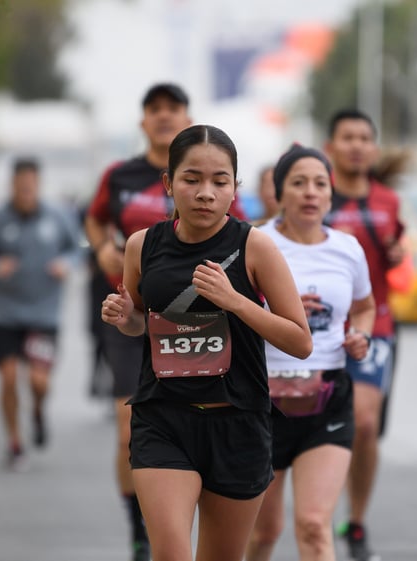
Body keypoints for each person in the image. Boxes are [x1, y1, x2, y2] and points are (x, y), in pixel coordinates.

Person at [100, 124, 312, 561]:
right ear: (168, 183)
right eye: (191, 179)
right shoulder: (142, 246)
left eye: (219, 182)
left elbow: (299, 340)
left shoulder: (256, 247)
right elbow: (142, 322)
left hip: (237, 424)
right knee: (173, 554)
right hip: (163, 420)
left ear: (235, 188)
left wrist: (235, 302)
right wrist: (125, 318)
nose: (205, 193)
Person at [245, 144, 375, 561]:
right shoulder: (254, 243)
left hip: (327, 396)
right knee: (263, 531)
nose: (310, 192)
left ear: (330, 194)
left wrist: (361, 336)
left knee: (315, 524)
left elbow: (365, 306)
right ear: (279, 193)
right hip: (261, 399)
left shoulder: (348, 248)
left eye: (320, 183)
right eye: (298, 183)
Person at [85, 82, 193, 561]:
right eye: (155, 110)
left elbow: (241, 229)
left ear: (188, 118)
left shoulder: (201, 174)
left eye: (174, 109)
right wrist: (102, 246)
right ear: (142, 121)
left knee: (192, 429)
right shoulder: (120, 174)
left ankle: (179, 525)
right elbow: (94, 220)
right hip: (130, 314)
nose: (165, 116)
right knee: (129, 427)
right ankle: (139, 528)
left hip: (193, 319)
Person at [322, 108, 405, 561]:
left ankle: (354, 522)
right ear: (331, 146)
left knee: (366, 425)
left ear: (373, 148)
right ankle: (315, 513)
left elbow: (396, 258)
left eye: (364, 138)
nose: (356, 145)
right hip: (317, 329)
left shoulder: (389, 201)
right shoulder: (316, 194)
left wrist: (394, 254)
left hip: (378, 323)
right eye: (346, 137)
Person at [0, 157, 80, 470]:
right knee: (8, 377)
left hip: (44, 315)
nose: (26, 191)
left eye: (31, 186)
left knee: (39, 382)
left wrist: (66, 264)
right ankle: (15, 443)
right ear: (12, 185)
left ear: (38, 185)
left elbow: (79, 248)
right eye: (21, 186)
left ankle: (38, 411)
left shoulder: (57, 216)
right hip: (6, 314)